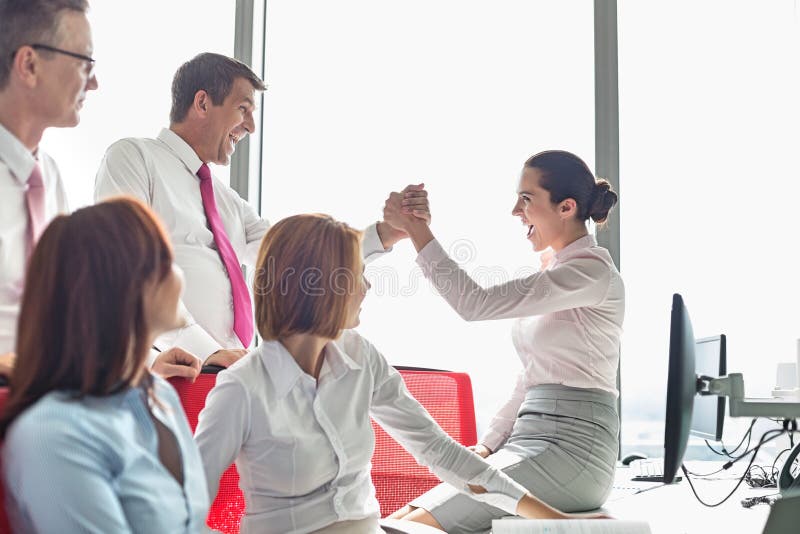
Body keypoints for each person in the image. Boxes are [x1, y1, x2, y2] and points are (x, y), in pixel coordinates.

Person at [194, 213, 607, 534]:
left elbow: (441, 453)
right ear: (321, 286)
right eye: (357, 274)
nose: (367, 287)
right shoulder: (242, 389)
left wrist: (556, 521)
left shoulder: (360, 357)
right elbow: (180, 512)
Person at [95, 52, 429, 370]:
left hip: (226, 371)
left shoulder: (226, 201)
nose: (251, 126)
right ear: (203, 103)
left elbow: (299, 252)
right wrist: (207, 352)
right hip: (170, 371)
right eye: (243, 109)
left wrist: (385, 234)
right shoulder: (133, 158)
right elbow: (129, 272)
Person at [383, 150, 624, 533]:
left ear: (566, 207)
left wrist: (417, 230)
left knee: (413, 527)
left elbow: (474, 304)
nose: (516, 211)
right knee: (397, 521)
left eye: (526, 199)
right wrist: (487, 446)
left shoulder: (590, 273)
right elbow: (532, 376)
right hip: (526, 443)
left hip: (572, 453)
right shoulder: (557, 270)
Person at [0, 0, 198, 380]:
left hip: (52, 396)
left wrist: (134, 368)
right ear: (29, 65)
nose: (93, 83)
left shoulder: (48, 176)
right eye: (84, 63)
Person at [0, 197, 209, 533]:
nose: (179, 276)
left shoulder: (160, 395)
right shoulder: (53, 435)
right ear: (125, 284)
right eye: (165, 261)